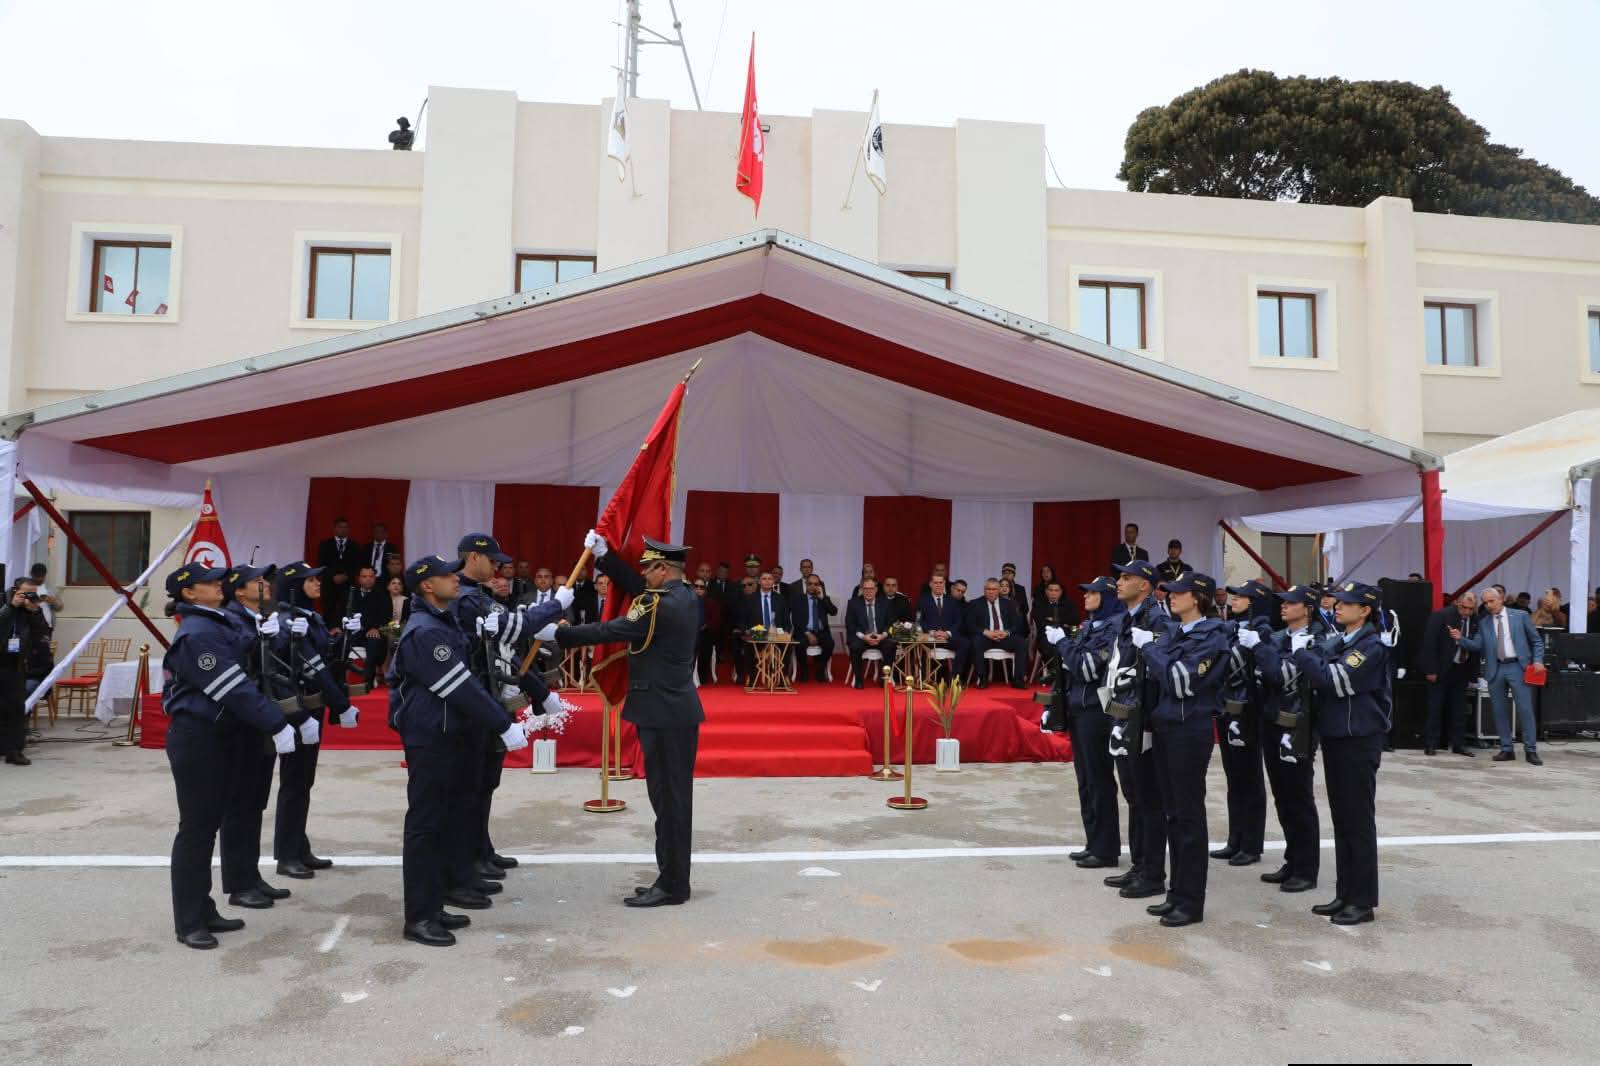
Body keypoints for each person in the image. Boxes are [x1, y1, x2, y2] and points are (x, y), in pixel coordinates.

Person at [387, 554, 529, 946]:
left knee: (442, 822)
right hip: (431, 736)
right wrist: (502, 723)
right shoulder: (425, 631)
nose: (455, 578)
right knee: (425, 826)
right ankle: (418, 916)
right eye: (446, 575)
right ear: (427, 586)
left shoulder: (441, 622)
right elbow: (460, 686)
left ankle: (433, 903)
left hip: (446, 732)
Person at [557, 532, 704, 907]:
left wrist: (562, 634)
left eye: (647, 568)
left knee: (669, 802)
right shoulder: (683, 596)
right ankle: (671, 876)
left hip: (664, 712)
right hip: (673, 709)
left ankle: (672, 885)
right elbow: (639, 588)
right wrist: (605, 559)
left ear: (662, 568)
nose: (644, 575)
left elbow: (615, 629)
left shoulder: (658, 605)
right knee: (669, 800)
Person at [162, 563, 298, 949]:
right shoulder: (197, 633)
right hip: (198, 737)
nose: (218, 584)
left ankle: (203, 908)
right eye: (209, 582)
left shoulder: (215, 623)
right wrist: (276, 722)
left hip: (218, 735)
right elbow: (232, 687)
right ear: (189, 593)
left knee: (210, 824)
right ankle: (189, 920)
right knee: (197, 828)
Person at [451, 534, 568, 895]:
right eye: (493, 562)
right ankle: (467, 859)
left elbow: (506, 654)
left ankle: (481, 850)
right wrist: (554, 607)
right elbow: (512, 630)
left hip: (493, 698)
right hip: (475, 703)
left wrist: (540, 691)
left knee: (486, 782)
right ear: (474, 558)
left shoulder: (480, 596)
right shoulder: (466, 599)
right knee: (471, 787)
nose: (499, 568)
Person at [1292, 581, 1391, 925]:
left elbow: (1333, 678)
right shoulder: (1344, 640)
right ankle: (1345, 893)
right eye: (1339, 601)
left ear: (1365, 610)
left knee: (1358, 822)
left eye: (1347, 603)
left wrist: (1302, 653)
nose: (1338, 606)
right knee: (1342, 820)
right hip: (1337, 736)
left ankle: (1362, 901)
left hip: (1358, 739)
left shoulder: (1371, 646)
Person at [1140, 571, 1229, 927]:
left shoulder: (1213, 635)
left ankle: (1191, 901)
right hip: (1166, 727)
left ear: (1198, 598)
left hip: (1189, 729)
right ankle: (1176, 893)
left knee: (1189, 817)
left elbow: (1180, 681)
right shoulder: (1180, 632)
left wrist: (1149, 648)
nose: (1171, 597)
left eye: (1179, 592)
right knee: (1172, 814)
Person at [216, 564, 295, 911]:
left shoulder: (261, 616)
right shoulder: (233, 620)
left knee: (254, 803)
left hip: (259, 720)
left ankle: (250, 875)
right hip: (239, 723)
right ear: (239, 591)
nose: (265, 585)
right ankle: (238, 882)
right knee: (239, 805)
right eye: (257, 582)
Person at [269, 561, 353, 880]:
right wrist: (341, 705)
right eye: (310, 580)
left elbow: (325, 657)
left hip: (312, 708)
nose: (318, 583)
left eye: (318, 578)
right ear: (293, 585)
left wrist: (346, 636)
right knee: (294, 783)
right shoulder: (286, 620)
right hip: (296, 710)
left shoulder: (309, 617)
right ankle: (286, 854)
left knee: (304, 781)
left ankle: (298, 846)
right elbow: (301, 666)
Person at [1101, 559, 1174, 902]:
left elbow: (1157, 675)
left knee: (1148, 799)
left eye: (1126, 577)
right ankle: (1140, 863)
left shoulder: (1156, 620)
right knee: (1133, 795)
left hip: (1141, 720)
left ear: (1144, 585)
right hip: (1123, 714)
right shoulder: (1127, 618)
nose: (1119, 582)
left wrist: (1146, 724)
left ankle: (1153, 873)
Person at [1248, 584, 1325, 894]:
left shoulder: (1315, 639)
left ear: (1306, 607)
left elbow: (1282, 675)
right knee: (1282, 794)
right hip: (1272, 719)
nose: (1283, 607)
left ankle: (1306, 868)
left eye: (1291, 603)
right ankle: (1293, 859)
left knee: (1299, 795)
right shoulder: (1281, 638)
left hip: (1299, 724)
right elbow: (1265, 674)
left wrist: (1261, 650)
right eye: (1282, 602)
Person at [1044, 575, 1123, 869]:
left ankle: (1106, 849)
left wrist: (1064, 642)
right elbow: (1071, 667)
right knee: (1085, 781)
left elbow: (1086, 668)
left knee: (1099, 781)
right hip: (1078, 706)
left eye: (1093, 593)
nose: (1086, 597)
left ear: (1106, 596)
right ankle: (1094, 842)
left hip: (1096, 710)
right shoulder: (1091, 626)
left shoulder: (1113, 627)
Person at [1209, 582, 1269, 869]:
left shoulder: (1262, 629)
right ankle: (1235, 838)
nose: (1234, 600)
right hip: (1226, 706)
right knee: (1234, 776)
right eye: (1234, 595)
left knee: (1250, 776)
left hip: (1248, 709)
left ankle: (1251, 843)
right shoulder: (1229, 627)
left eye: (1242, 597)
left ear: (1255, 601)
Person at [1452, 587, 1544, 765]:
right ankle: (1506, 749)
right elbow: (1477, 645)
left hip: (1518, 666)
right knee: (1499, 711)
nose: (1488, 605)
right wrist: (1460, 639)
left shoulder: (1520, 616)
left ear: (1500, 599)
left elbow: (1536, 640)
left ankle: (1530, 750)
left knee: (1525, 710)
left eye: (1491, 601)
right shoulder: (1484, 622)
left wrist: (1538, 660)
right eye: (1485, 603)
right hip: (1496, 669)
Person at [1417, 591, 1479, 757]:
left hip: (1461, 669)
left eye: (1471, 609)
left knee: (1459, 709)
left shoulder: (1474, 620)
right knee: (1435, 707)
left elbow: (1475, 646)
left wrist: (1474, 675)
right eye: (1464, 607)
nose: (1467, 612)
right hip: (1441, 668)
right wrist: (1430, 669)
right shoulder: (1441, 616)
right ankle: (1431, 743)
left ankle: (1459, 744)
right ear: (1457, 603)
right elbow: (1429, 643)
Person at [0, 579, 40, 766]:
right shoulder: (5, 603)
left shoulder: (29, 611)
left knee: (17, 708)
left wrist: (35, 611)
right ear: (16, 591)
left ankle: (15, 750)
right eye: (26, 593)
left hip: (16, 665)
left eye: (33, 593)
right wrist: (11, 606)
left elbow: (41, 633)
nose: (29, 596)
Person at [967, 578, 1028, 689]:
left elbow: (1018, 624)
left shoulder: (1009, 604)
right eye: (988, 589)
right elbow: (970, 625)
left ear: (999, 590)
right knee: (975, 642)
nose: (991, 592)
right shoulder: (975, 604)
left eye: (994, 589)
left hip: (1004, 637)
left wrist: (1007, 632)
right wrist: (985, 632)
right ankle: (982, 678)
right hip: (986, 637)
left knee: (1021, 642)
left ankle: (1018, 679)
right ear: (984, 590)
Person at [346, 565, 394, 689]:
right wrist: (336, 627)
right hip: (352, 632)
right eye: (364, 576)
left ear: (375, 578)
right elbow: (340, 612)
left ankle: (367, 680)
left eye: (371, 576)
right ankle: (338, 679)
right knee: (336, 640)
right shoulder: (351, 593)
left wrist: (376, 628)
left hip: (373, 633)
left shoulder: (383, 594)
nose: (368, 579)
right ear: (359, 578)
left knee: (373, 641)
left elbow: (387, 616)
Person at [916, 574, 969, 683]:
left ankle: (955, 679)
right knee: (918, 646)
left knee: (965, 643)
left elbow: (958, 621)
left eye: (941, 582)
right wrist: (933, 632)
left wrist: (947, 633)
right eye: (936, 583)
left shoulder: (952, 601)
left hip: (947, 638)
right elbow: (919, 621)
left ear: (944, 584)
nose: (938, 585)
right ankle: (925, 679)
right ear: (931, 584)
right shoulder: (923, 600)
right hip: (930, 638)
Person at [845, 578, 897, 687]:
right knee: (855, 646)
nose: (869, 591)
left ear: (876, 590)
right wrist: (864, 636)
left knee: (890, 644)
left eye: (871, 589)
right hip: (862, 637)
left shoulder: (886, 603)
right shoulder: (853, 603)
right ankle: (858, 680)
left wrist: (882, 635)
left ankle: (884, 679)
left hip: (880, 636)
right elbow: (850, 625)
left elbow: (891, 624)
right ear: (862, 590)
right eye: (866, 589)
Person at [314, 517, 363, 626]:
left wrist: (346, 576)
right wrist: (333, 577)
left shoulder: (355, 546)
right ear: (334, 529)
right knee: (328, 612)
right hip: (329, 585)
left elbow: (357, 566)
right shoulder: (325, 545)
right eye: (340, 527)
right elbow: (321, 565)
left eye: (345, 527)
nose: (343, 530)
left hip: (347, 585)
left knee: (347, 611)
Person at [791, 573, 837, 682]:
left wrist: (823, 598)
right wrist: (807, 633)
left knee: (829, 643)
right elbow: (796, 620)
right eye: (810, 584)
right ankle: (804, 669)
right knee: (800, 644)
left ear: (819, 586)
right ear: (806, 585)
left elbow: (833, 612)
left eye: (816, 584)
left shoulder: (823, 598)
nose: (813, 586)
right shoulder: (798, 599)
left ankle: (820, 669)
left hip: (821, 631)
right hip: (803, 631)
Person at [1032, 579, 1077, 683]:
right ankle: (1057, 675)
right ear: (1046, 591)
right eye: (1050, 590)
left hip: (1066, 635)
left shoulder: (1068, 603)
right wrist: (1063, 623)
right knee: (1051, 647)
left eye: (1056, 590)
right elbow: (1040, 622)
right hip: (1046, 636)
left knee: (1073, 646)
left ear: (1061, 592)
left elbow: (1075, 620)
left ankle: (1065, 675)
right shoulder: (1039, 604)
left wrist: (1055, 620)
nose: (1053, 593)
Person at [28, 563, 62, 628]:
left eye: (42, 577)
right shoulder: (26, 587)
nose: (39, 579)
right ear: (31, 574)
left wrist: (53, 601)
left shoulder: (50, 589)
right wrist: (37, 601)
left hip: (47, 627)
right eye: (37, 577)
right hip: (29, 627)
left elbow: (60, 607)